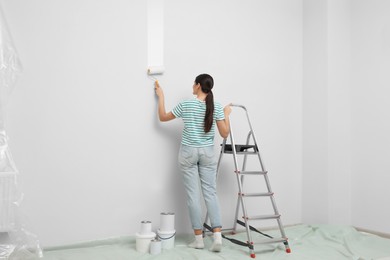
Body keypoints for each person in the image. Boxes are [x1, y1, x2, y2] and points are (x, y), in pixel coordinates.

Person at [154, 73, 231, 252]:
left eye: (193, 83)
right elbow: (225, 133)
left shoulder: (186, 104)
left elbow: (163, 117)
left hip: (188, 152)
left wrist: (161, 95)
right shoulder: (217, 106)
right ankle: (217, 237)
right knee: (210, 193)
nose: (192, 85)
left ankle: (198, 239)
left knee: (193, 196)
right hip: (208, 153)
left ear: (197, 86)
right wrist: (226, 114)